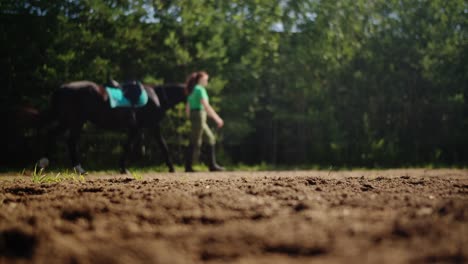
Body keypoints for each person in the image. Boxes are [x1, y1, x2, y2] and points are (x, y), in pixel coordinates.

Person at [184, 71, 225, 172]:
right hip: (199, 115)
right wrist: (217, 118)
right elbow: (206, 106)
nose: (207, 81)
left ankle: (212, 165)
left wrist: (190, 117)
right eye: (205, 79)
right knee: (194, 140)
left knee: (210, 138)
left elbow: (187, 108)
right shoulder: (200, 89)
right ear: (200, 80)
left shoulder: (192, 90)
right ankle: (188, 166)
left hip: (195, 115)